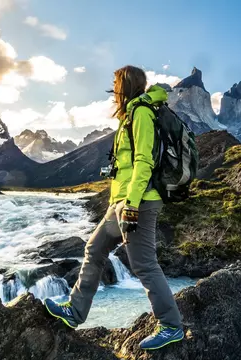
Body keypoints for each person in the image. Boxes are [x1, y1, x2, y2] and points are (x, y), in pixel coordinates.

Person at [44, 65, 184, 350]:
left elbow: (144, 162)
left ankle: (171, 326)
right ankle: (75, 310)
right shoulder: (131, 114)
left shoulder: (142, 114)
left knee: (144, 264)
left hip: (139, 202)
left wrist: (131, 205)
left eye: (117, 84)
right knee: (94, 250)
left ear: (126, 85)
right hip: (120, 203)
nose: (114, 91)